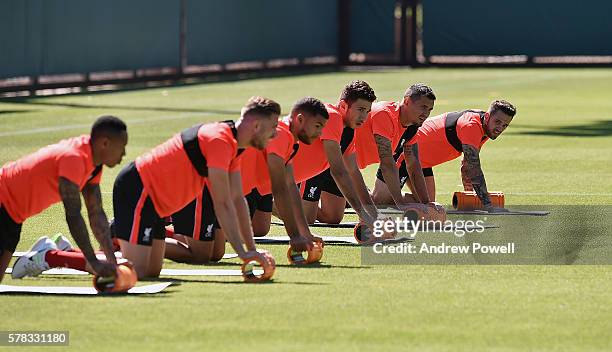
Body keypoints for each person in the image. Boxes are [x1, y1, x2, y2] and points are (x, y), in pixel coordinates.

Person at [113, 97, 279, 278]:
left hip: (156, 205)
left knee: (151, 271)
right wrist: (243, 253)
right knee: (139, 271)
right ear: (256, 126)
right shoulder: (219, 139)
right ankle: (97, 256)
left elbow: (238, 200)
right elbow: (222, 203)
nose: (275, 134)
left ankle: (119, 237)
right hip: (138, 190)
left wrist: (251, 250)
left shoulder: (234, 147)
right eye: (273, 127)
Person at [163, 97, 329, 262]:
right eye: (317, 126)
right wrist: (295, 236)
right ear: (300, 119)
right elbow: (280, 189)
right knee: (202, 254)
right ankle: (148, 239)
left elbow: (290, 186)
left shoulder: (291, 142)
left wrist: (304, 233)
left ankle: (159, 233)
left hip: (226, 190)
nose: (320, 133)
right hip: (207, 188)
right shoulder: (282, 135)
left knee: (216, 253)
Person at [5, 116, 128, 281]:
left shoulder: (95, 164)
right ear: (104, 143)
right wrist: (93, 262)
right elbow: (73, 215)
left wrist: (112, 261)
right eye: (122, 147)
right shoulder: (73, 158)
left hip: (13, 216)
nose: (124, 153)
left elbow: (96, 213)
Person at [372, 100, 516, 212]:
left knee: (428, 206)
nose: (500, 128)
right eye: (498, 122)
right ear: (488, 116)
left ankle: (363, 193)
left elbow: (467, 165)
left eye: (505, 125)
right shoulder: (472, 125)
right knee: (379, 201)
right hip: (406, 154)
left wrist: (470, 196)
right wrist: (488, 205)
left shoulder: (485, 129)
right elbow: (474, 168)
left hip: (423, 164)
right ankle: (354, 191)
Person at [292, 81, 381, 227]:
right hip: (305, 173)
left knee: (333, 217)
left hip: (323, 169)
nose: (364, 117)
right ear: (344, 105)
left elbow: (353, 170)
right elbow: (339, 171)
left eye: (367, 111)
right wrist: (363, 214)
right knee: (306, 219)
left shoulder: (350, 129)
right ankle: (275, 201)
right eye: (360, 109)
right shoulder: (332, 117)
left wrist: (374, 213)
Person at [354, 83, 436, 209]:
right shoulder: (385, 114)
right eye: (423, 107)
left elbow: (413, 164)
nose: (426, 113)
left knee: (333, 216)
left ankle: (356, 194)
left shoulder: (412, 127)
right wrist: (400, 204)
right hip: (333, 162)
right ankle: (355, 194)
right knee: (330, 216)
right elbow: (386, 162)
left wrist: (427, 204)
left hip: (349, 167)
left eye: (429, 110)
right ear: (407, 101)